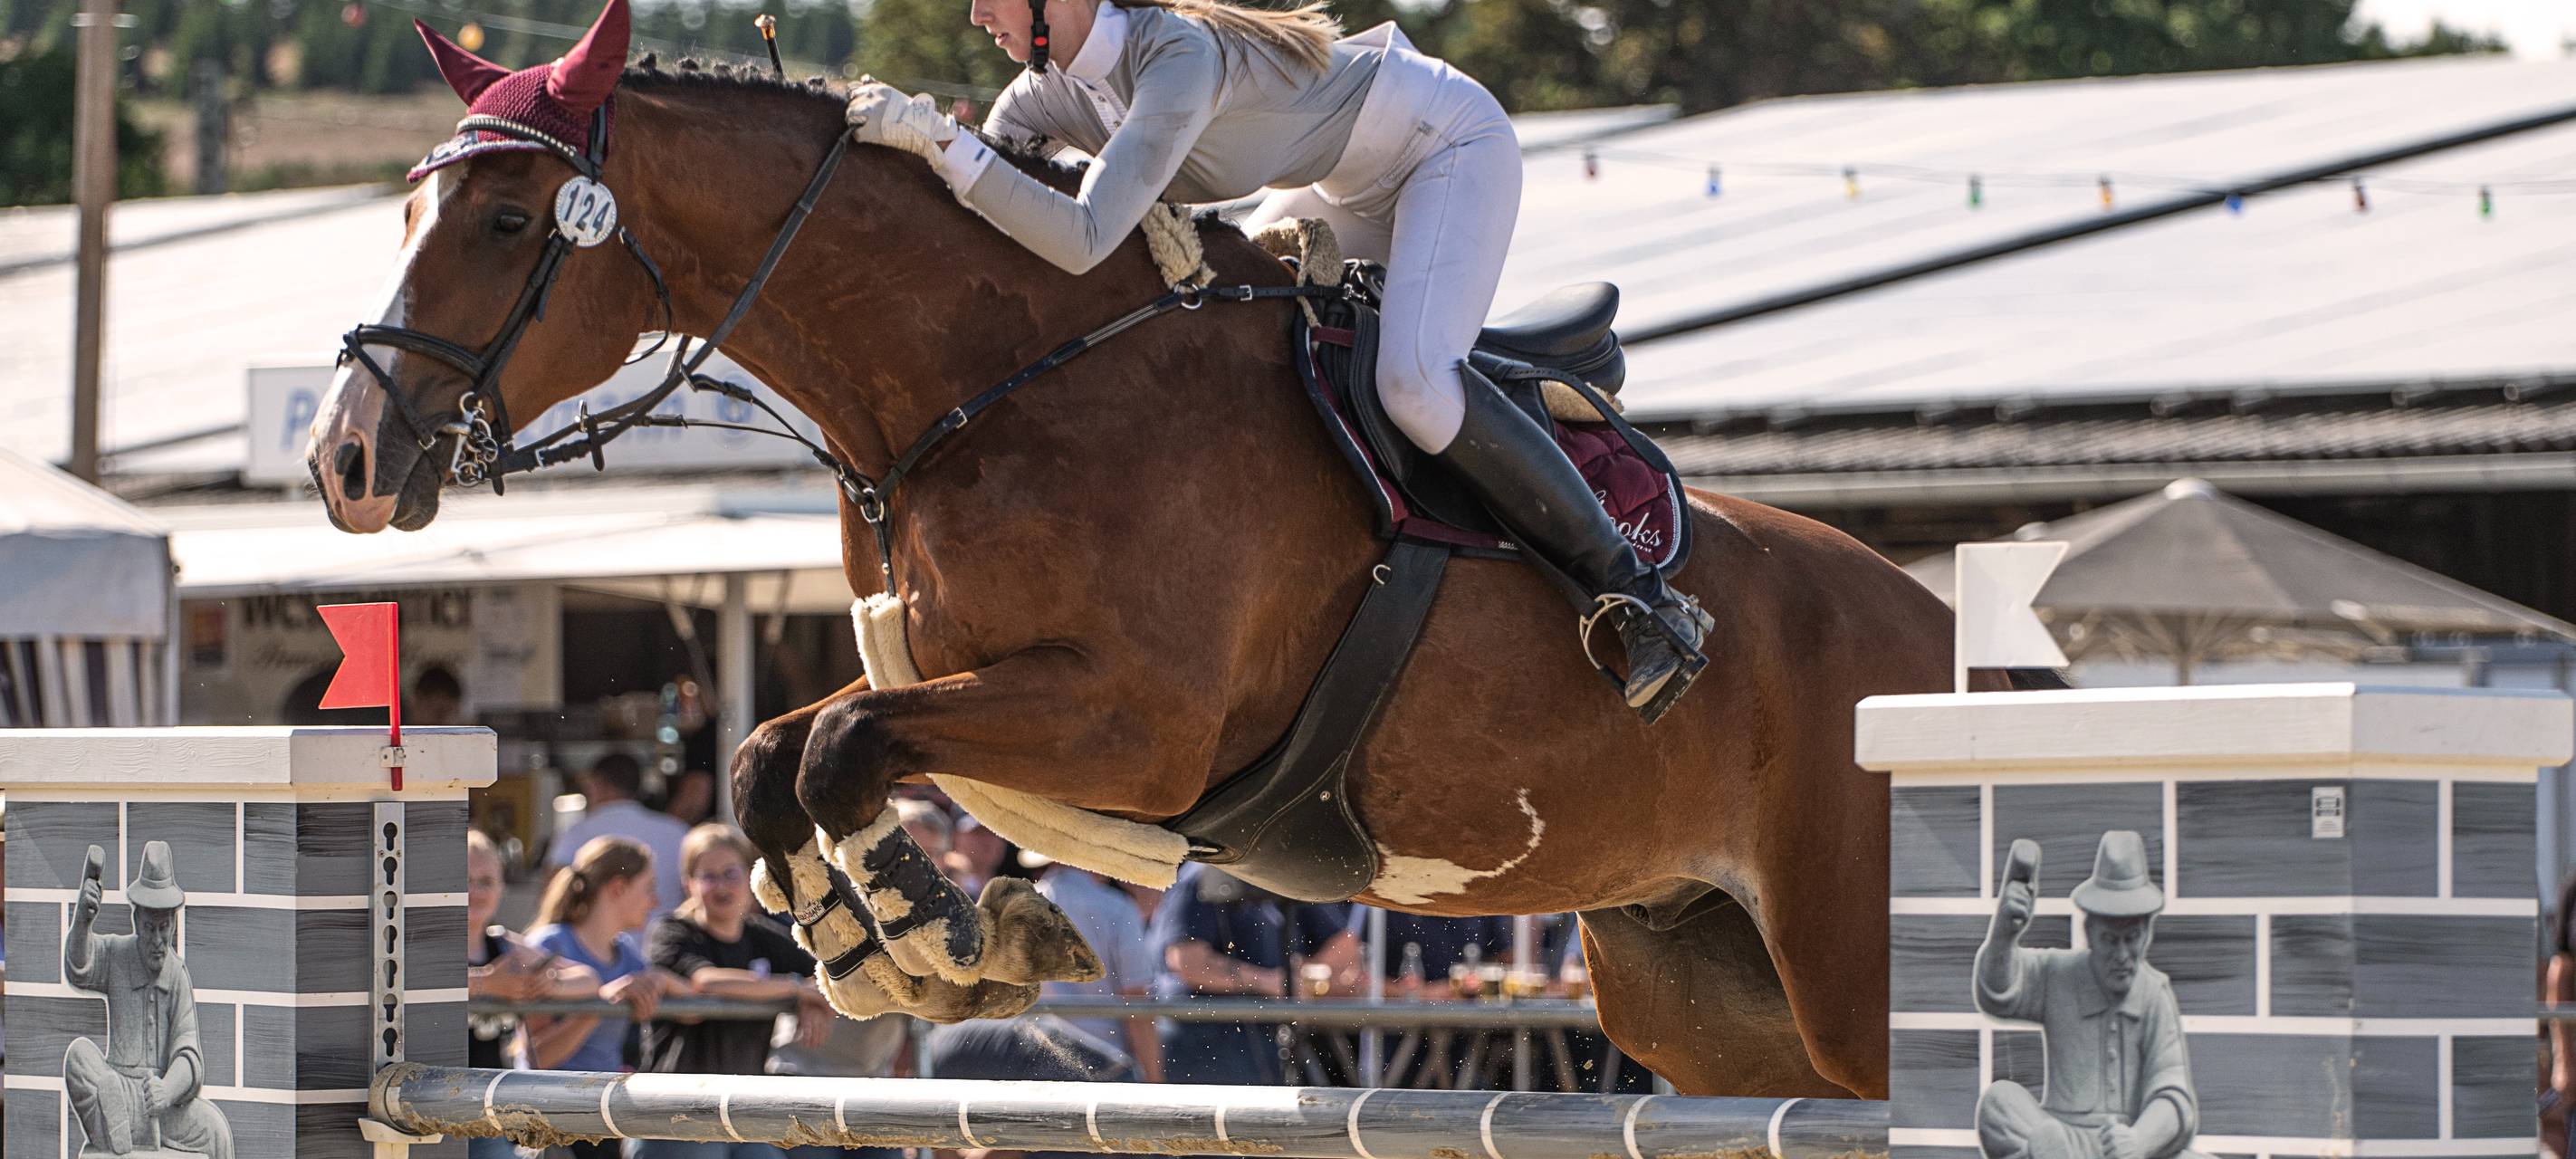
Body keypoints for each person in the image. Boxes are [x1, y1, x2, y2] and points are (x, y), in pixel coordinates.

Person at [838, 0, 1712, 721]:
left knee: (1412, 384)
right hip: (1340, 182)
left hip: (1444, 146)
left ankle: (1640, 598)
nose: (974, 15)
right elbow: (995, 221)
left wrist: (942, 145)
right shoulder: (1042, 95)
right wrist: (900, 160)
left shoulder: (1176, 54)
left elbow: (1083, 236)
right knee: (1227, 339)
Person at [1975, 833, 2203, 1159]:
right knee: (1999, 1101)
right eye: (2110, 939)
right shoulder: (2057, 973)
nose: (2122, 955)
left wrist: (2138, 1141)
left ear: (2147, 933)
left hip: (2125, 1149)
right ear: (2090, 933)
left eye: (2132, 938)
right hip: (2062, 1140)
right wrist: (2004, 934)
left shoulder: (2154, 995)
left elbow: (2174, 1095)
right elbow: (1998, 993)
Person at [634, 825, 838, 1159]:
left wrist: (813, 1003)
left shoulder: (763, 935)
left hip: (741, 1110)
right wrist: (795, 990)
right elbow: (707, 981)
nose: (721, 886)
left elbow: (823, 975)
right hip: (674, 1111)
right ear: (688, 883)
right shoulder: (672, 931)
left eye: (730, 874)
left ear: (749, 878)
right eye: (708, 877)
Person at [61, 841, 234, 1159]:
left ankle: (125, 1128)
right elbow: (79, 969)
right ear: (136, 921)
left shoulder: (177, 975)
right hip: (118, 1091)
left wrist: (167, 1090)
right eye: (149, 928)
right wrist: (83, 921)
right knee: (79, 1055)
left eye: (164, 928)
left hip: (162, 1108)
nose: (157, 940)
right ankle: (117, 1126)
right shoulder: (116, 954)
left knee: (216, 1131)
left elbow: (189, 1054)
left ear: (174, 924)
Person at [524, 838, 693, 1159]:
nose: (655, 901)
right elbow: (536, 1057)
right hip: (549, 1117)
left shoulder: (625, 951)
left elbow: (692, 1009)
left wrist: (659, 979)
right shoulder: (549, 946)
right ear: (618, 888)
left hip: (603, 1114)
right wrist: (602, 1006)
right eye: (648, 888)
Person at [465, 830, 601, 1159]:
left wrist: (548, 984)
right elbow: (417, 984)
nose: (476, 892)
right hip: (434, 1100)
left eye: (486, 882)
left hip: (490, 1108)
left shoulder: (504, 945)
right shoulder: (427, 941)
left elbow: (589, 978)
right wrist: (485, 984)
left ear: (501, 889)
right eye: (465, 881)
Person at [1147, 862, 1287, 1084]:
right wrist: (1268, 981)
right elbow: (1187, 961)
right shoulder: (1204, 873)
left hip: (1244, 1038)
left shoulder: (1255, 872)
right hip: (1204, 1038)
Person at [1030, 855, 1163, 1081]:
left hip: (1034, 1057)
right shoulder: (1117, 908)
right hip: (1107, 1062)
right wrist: (1154, 1080)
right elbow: (1135, 1000)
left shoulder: (1019, 905)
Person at [551, 752, 692, 915]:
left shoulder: (577, 833)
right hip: (666, 929)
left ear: (597, 783)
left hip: (603, 931)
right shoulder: (677, 830)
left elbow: (554, 893)